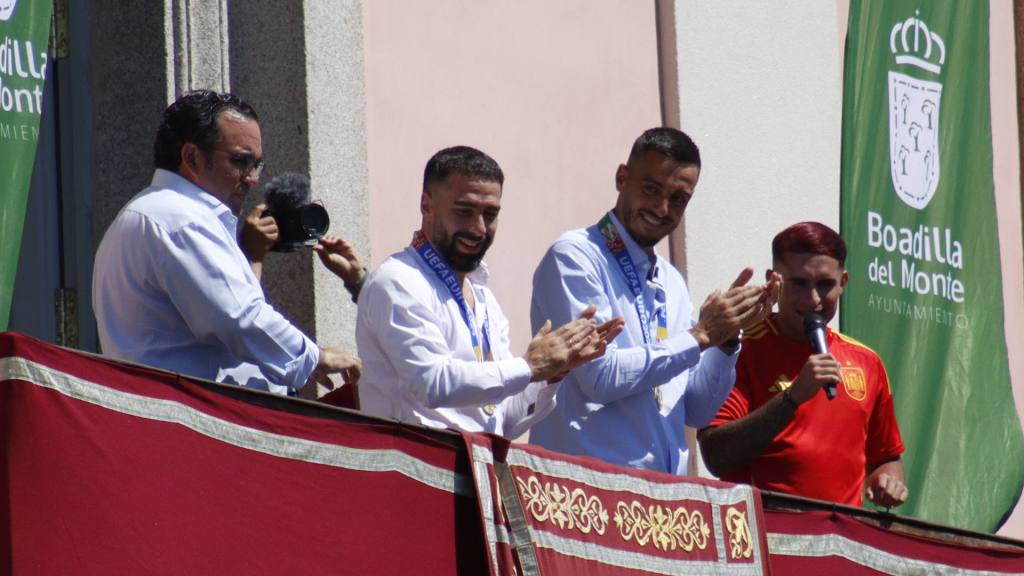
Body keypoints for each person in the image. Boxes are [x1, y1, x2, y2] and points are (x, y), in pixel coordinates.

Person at [529, 127, 777, 474]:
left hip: (659, 500)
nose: (662, 208)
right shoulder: (575, 256)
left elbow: (696, 410)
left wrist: (725, 340)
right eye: (651, 189)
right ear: (621, 178)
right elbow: (600, 379)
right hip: (584, 492)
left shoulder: (670, 280)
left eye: (678, 199)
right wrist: (701, 335)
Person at [93, 90, 360, 396]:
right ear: (191, 157)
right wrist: (315, 357)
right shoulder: (181, 218)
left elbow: (229, 312)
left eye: (256, 165)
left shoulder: (157, 213)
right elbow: (240, 318)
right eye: (240, 161)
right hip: (193, 424)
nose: (252, 178)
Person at [355, 145, 623, 436]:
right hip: (414, 472)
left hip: (476, 472)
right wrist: (530, 366)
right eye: (465, 211)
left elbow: (503, 420)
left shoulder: (484, 298)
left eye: (490, 214)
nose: (479, 228)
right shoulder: (397, 281)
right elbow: (432, 383)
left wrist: (551, 374)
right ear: (426, 205)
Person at [698, 222, 908, 508]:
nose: (813, 300)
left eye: (825, 285)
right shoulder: (740, 348)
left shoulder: (867, 362)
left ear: (843, 282)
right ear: (774, 281)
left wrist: (887, 482)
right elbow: (715, 455)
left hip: (843, 543)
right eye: (799, 283)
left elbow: (886, 458)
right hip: (767, 540)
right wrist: (793, 397)